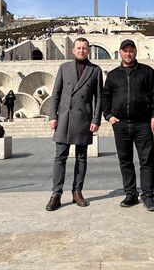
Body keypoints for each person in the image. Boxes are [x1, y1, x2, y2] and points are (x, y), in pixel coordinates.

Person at [102, 39, 154, 212]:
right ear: (120, 52)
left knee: (146, 160)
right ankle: (130, 194)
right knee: (125, 161)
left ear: (135, 52)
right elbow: (105, 97)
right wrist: (108, 116)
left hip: (143, 123)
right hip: (121, 124)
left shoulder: (147, 72)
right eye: (125, 50)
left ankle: (148, 195)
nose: (128, 53)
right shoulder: (113, 75)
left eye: (131, 50)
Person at [46, 37, 103, 211]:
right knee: (60, 157)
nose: (81, 51)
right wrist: (52, 116)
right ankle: (56, 194)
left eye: (84, 48)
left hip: (83, 119)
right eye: (78, 48)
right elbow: (56, 93)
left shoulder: (95, 70)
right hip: (64, 118)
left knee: (81, 157)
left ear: (89, 50)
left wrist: (96, 119)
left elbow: (99, 98)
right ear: (73, 50)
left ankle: (77, 192)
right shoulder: (64, 68)